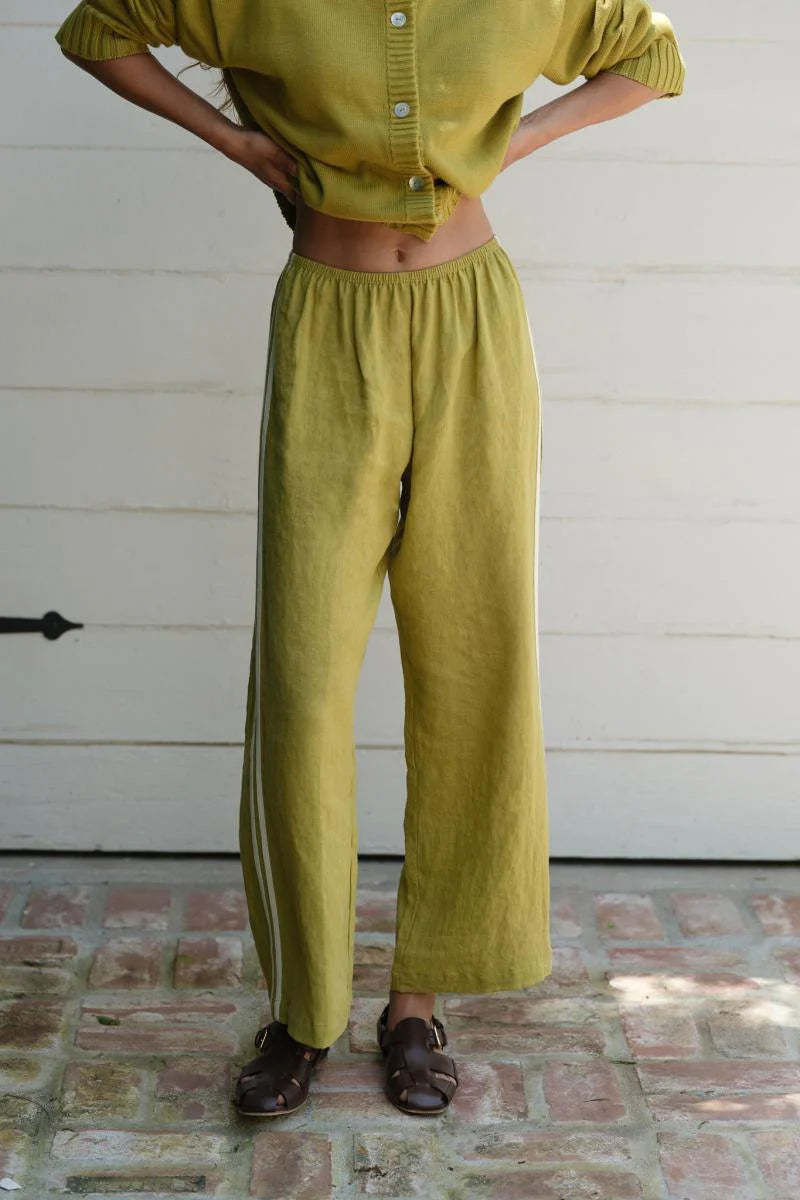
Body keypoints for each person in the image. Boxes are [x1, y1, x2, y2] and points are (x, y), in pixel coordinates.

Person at [55, 0, 685, 1118]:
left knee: (473, 661)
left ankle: (417, 1005)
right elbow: (98, 30)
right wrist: (237, 142)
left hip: (473, 327)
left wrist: (512, 143)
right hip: (326, 321)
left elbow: (653, 56)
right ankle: (304, 1011)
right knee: (302, 684)